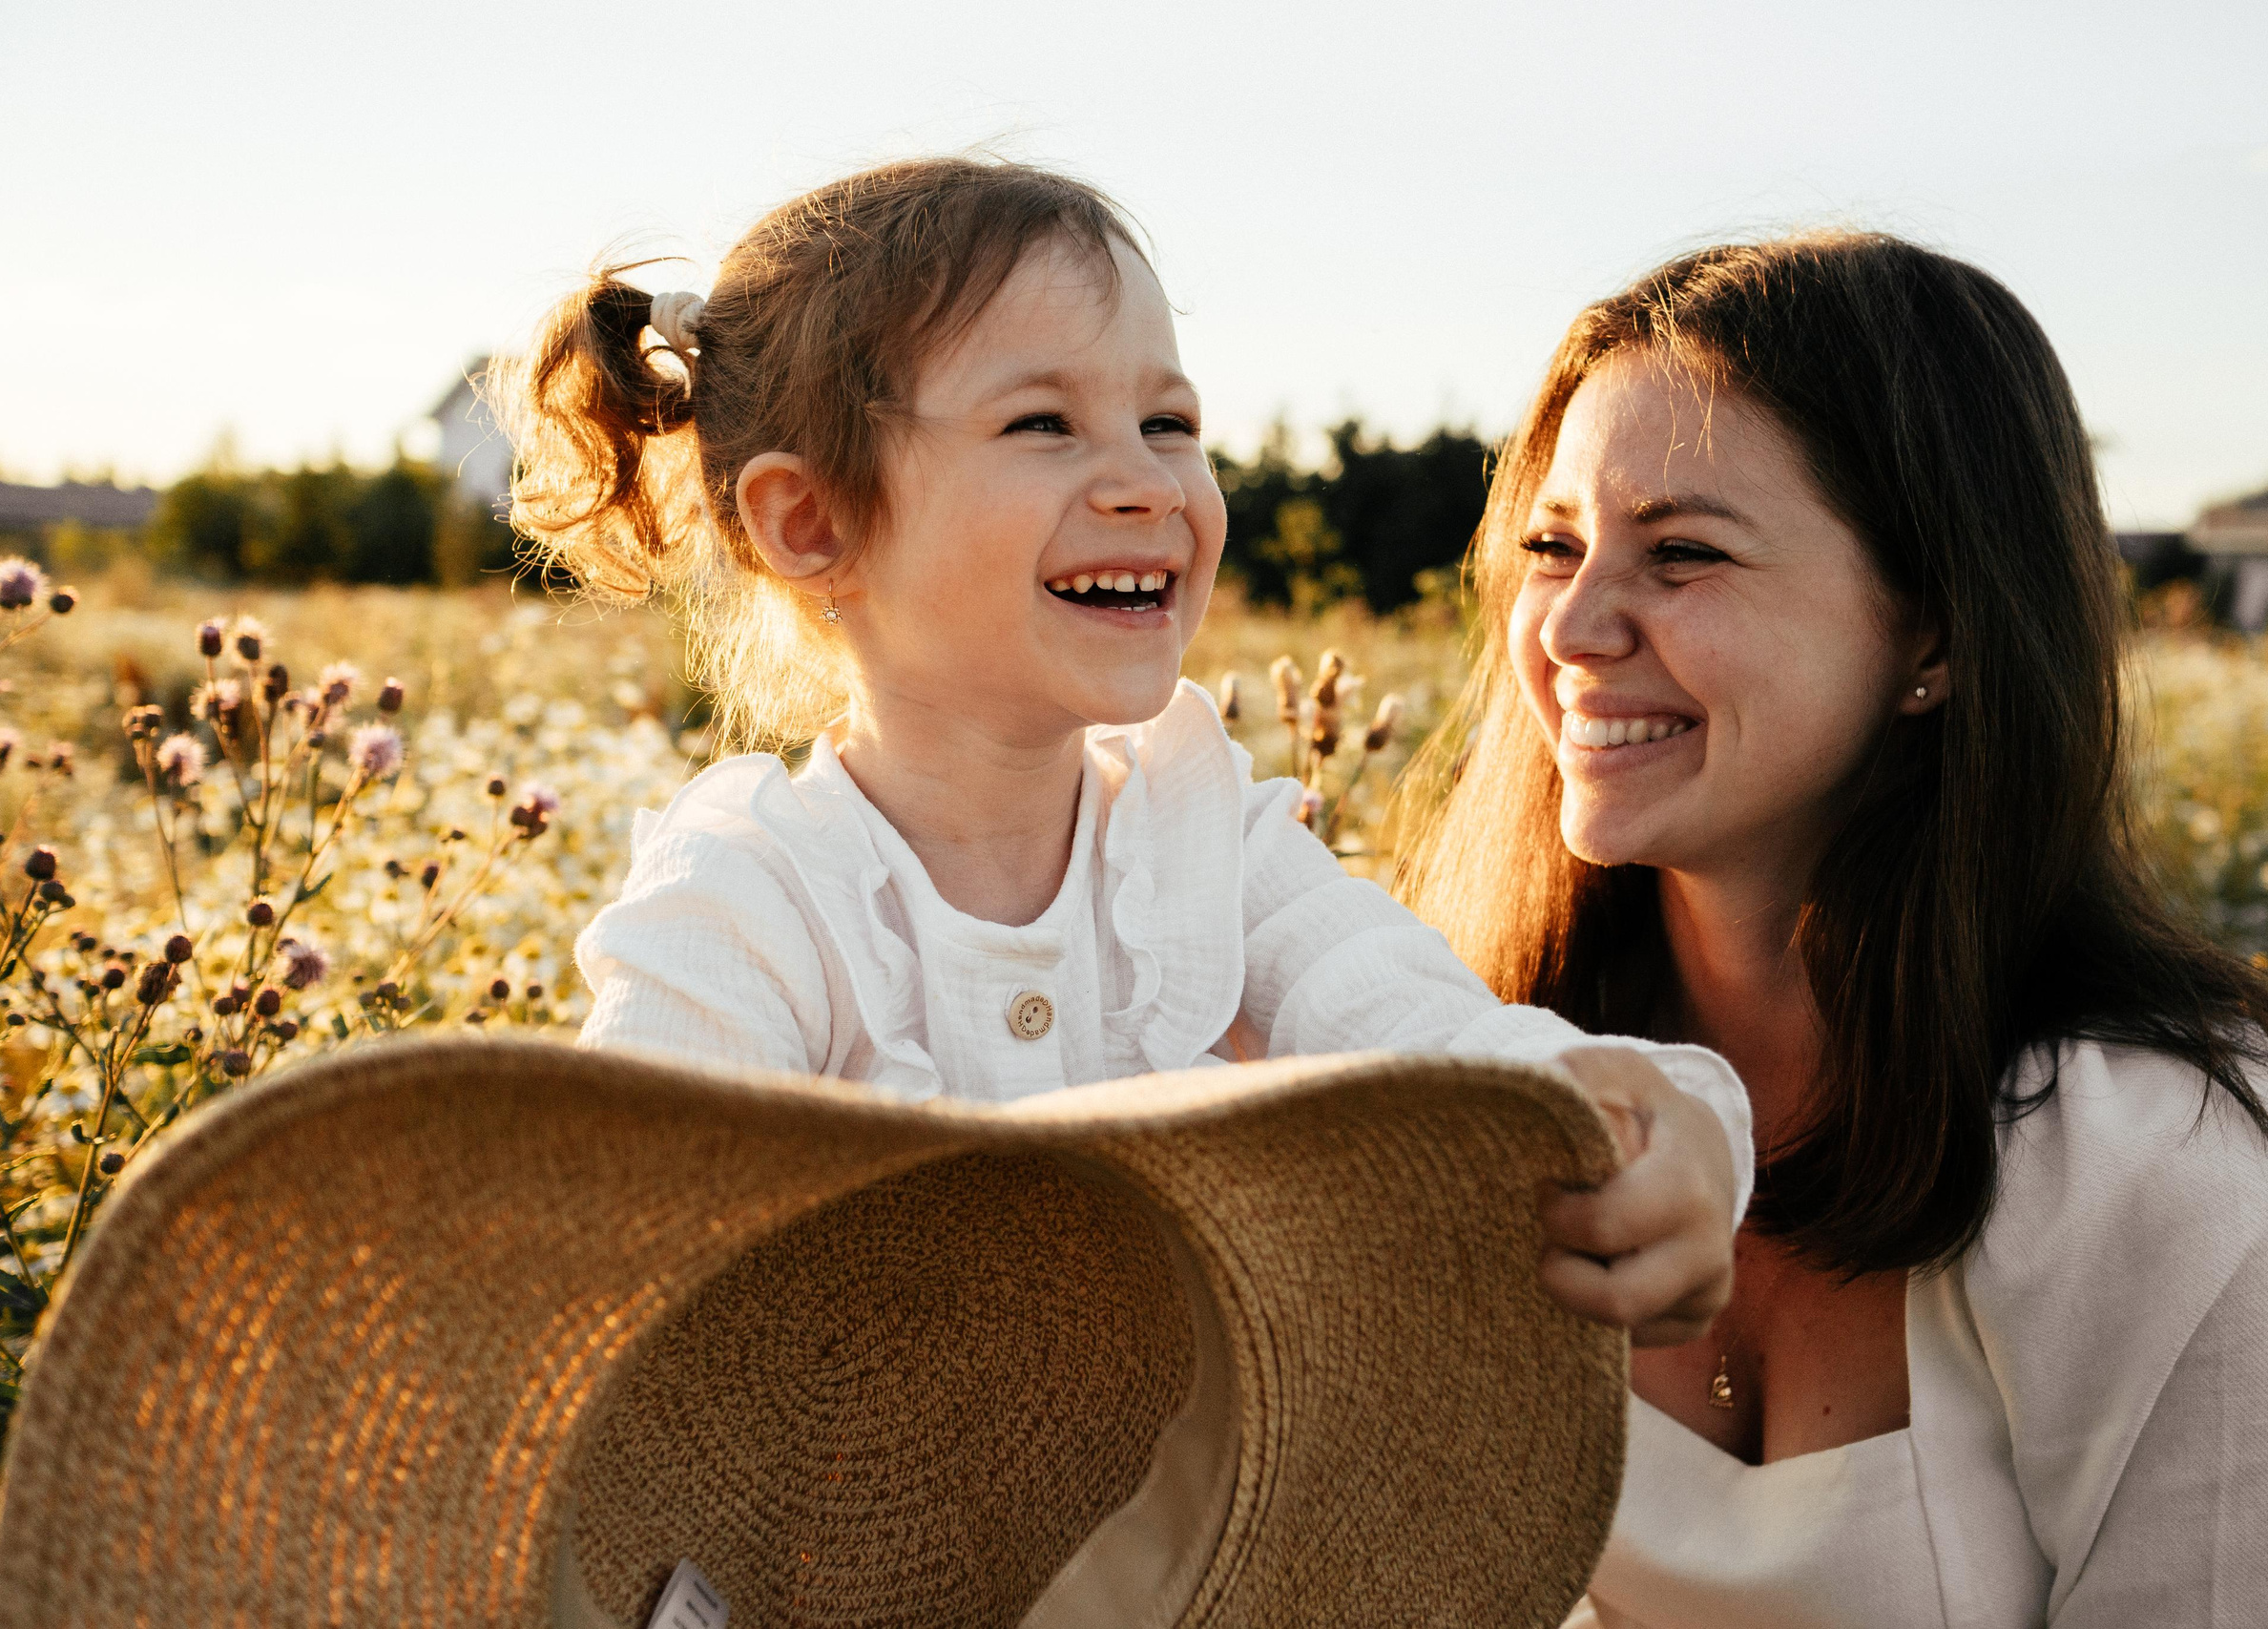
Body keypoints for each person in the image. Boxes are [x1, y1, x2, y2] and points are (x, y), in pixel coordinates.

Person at [500, 157, 1748, 1348]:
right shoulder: (751, 898)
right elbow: (621, 1261)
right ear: (812, 520)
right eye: (1044, 423)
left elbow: (1439, 1042)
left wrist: (1655, 1124)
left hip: (1193, 1556)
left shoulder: (1204, 841)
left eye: (1168, 422)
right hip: (843, 1554)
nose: (1148, 483)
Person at [1398, 232, 2268, 1626]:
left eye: (1683, 552)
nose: (1571, 627)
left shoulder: (2157, 1162)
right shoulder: (1454, 1083)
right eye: (1553, 546)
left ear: (1934, 638)